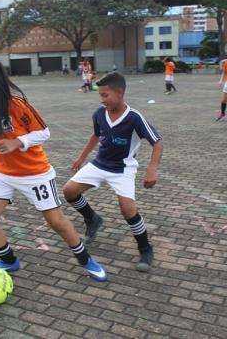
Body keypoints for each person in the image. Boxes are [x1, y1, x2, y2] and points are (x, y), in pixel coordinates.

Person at [0, 54, 107, 281]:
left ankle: (86, 260)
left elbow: (44, 132)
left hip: (34, 173)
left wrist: (18, 142)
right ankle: (9, 261)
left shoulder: (16, 105)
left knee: (56, 222)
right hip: (3, 173)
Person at [63, 72, 163, 272]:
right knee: (69, 191)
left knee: (127, 210)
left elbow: (157, 142)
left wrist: (152, 170)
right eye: (100, 95)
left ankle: (145, 248)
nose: (102, 99)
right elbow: (96, 135)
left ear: (120, 92)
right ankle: (92, 218)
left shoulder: (134, 118)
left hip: (122, 168)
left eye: (105, 95)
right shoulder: (99, 114)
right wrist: (81, 158)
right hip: (100, 164)